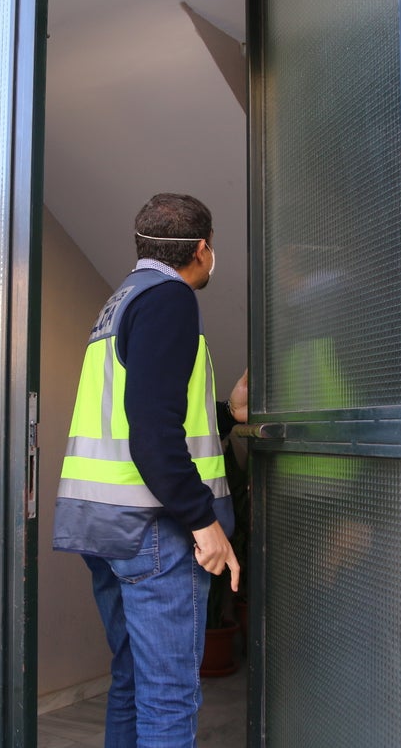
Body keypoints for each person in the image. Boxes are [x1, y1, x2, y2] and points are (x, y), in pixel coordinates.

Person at [53, 193, 248, 747]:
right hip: (154, 532)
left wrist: (227, 415)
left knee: (134, 683)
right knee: (168, 697)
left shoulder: (121, 301)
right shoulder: (171, 299)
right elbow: (153, 432)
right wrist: (203, 522)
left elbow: (145, 412)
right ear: (202, 249)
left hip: (108, 526)